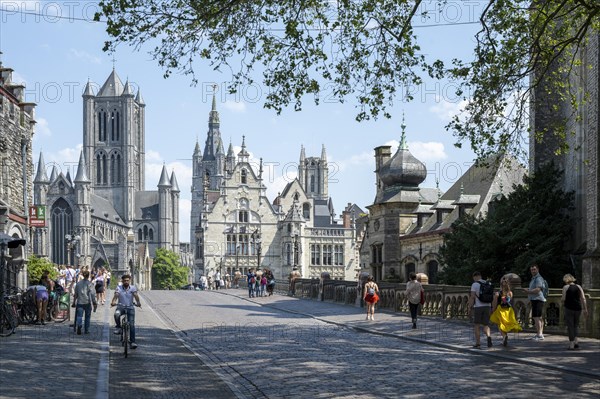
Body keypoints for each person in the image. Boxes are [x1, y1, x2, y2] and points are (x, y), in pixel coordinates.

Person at [111, 274, 142, 349]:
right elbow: (116, 295)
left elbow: (135, 295)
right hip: (120, 307)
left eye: (127, 280)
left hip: (130, 307)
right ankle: (118, 327)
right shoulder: (119, 288)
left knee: (131, 325)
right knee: (116, 314)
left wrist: (138, 302)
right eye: (124, 281)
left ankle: (132, 342)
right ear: (122, 281)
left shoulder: (133, 288)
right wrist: (113, 302)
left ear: (129, 281)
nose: (126, 282)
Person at [490, 277, 522, 346]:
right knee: (505, 324)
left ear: (501, 284)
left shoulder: (497, 293)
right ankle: (504, 339)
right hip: (509, 310)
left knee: (500, 324)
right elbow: (509, 301)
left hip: (500, 310)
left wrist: (493, 310)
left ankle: (504, 336)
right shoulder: (510, 293)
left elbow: (494, 303)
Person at [561, 274, 588, 350]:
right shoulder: (579, 287)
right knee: (576, 325)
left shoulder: (565, 287)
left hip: (569, 308)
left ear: (566, 280)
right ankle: (576, 342)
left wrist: (562, 300)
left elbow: (563, 298)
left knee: (570, 326)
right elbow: (583, 298)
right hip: (578, 308)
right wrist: (585, 309)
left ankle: (571, 344)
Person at [468, 271, 493, 348]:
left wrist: (470, 307)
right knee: (486, 324)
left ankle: (478, 343)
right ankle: (488, 336)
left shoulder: (475, 284)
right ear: (480, 276)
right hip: (488, 306)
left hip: (478, 307)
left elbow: (472, 297)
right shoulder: (488, 283)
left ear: (475, 277)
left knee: (477, 325)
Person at [522, 264, 546, 340]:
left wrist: (528, 291)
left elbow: (538, 289)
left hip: (537, 299)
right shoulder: (534, 278)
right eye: (532, 270)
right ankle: (540, 334)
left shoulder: (538, 278)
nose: (533, 271)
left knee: (536, 317)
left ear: (538, 270)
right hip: (536, 299)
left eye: (534, 269)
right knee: (539, 317)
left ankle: (539, 335)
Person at [72, 270, 97, 335]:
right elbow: (92, 294)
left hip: (80, 302)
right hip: (87, 302)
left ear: (83, 275)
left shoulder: (78, 284)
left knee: (79, 316)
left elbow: (76, 294)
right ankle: (86, 330)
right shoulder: (90, 284)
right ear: (88, 276)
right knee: (87, 317)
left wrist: (74, 302)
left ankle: (79, 325)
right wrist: (94, 302)